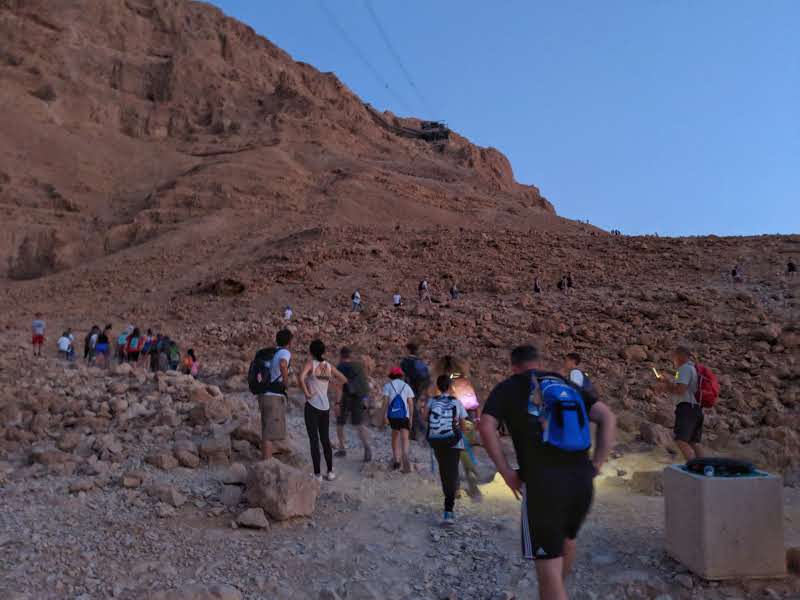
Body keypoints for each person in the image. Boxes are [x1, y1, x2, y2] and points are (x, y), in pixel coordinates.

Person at [478, 345, 616, 600]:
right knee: (568, 539)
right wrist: (597, 463)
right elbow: (607, 416)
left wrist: (507, 472)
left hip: (544, 485)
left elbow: (486, 426)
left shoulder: (509, 387)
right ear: (538, 362)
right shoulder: (563, 383)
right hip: (582, 479)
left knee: (548, 569)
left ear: (514, 366)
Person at [431, 355, 482, 499]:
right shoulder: (465, 380)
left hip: (451, 423)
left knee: (451, 456)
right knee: (465, 451)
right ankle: (470, 475)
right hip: (469, 420)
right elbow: (476, 404)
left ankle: (456, 488)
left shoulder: (442, 384)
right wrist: (477, 420)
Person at [299, 340, 348, 481]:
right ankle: (331, 471)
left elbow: (301, 378)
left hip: (312, 406)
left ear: (311, 351)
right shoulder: (328, 366)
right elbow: (344, 379)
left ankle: (317, 474)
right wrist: (332, 383)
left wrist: (307, 393)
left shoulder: (311, 364)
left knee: (314, 440)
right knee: (325, 439)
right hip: (325, 406)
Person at [423, 374, 468, 525]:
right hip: (453, 441)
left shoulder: (431, 401)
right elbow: (463, 424)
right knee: (452, 470)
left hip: (436, 441)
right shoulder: (456, 402)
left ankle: (451, 492)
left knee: (444, 470)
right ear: (450, 387)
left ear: (437, 387)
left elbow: (425, 418)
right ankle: (449, 511)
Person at [655, 346, 703, 461]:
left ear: (681, 356)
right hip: (696, 408)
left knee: (681, 440)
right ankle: (704, 469)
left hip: (687, 408)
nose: (673, 359)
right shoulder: (691, 369)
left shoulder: (684, 369)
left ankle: (694, 467)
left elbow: (680, 390)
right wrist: (667, 381)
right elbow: (678, 386)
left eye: (674, 356)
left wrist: (665, 387)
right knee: (693, 441)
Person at [258, 329, 293, 461]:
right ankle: (267, 465)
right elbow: (283, 364)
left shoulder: (271, 353)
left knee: (266, 430)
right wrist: (286, 383)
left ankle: (265, 460)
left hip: (263, 395)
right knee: (269, 434)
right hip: (273, 396)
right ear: (289, 342)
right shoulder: (284, 352)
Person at [335, 347, 372, 462]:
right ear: (350, 356)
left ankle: (342, 448)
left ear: (341, 356)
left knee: (340, 422)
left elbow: (339, 386)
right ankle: (367, 447)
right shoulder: (359, 365)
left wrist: (337, 402)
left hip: (347, 397)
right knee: (359, 424)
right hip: (360, 397)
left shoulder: (340, 367)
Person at [383, 367, 415, 473]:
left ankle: (396, 460)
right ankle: (405, 456)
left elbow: (385, 402)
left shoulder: (387, 386)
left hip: (393, 416)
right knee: (405, 438)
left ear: (391, 375)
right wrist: (410, 418)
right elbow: (410, 403)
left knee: (395, 436)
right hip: (404, 416)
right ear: (401, 376)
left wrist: (385, 416)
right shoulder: (406, 386)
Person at [401, 342, 431, 441]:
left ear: (408, 350)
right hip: (419, 387)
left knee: (412, 410)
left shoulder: (406, 361)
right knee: (412, 409)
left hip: (410, 387)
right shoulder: (420, 361)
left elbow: (404, 376)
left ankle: (424, 431)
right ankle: (413, 433)